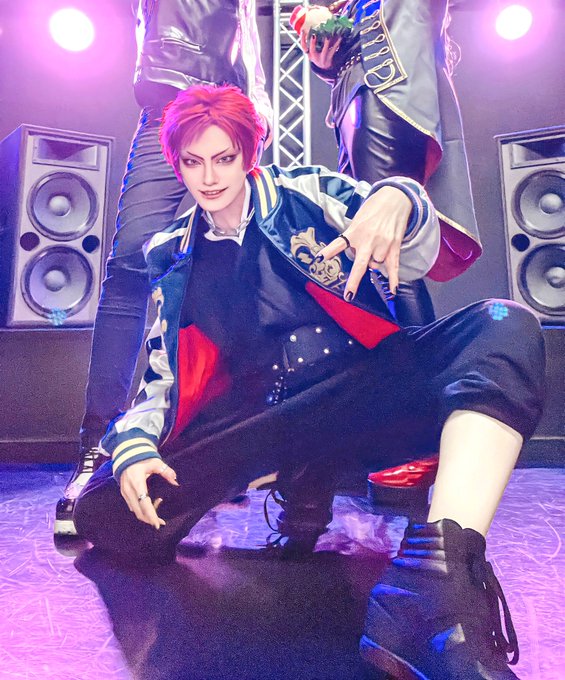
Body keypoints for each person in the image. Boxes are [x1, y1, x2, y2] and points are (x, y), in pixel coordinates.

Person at [75, 85, 545, 678]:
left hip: (359, 394)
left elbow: (417, 252)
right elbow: (163, 376)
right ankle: (294, 476)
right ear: (177, 164)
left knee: (504, 327)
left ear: (249, 153)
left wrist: (400, 197)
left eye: (224, 158)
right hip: (260, 424)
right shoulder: (172, 251)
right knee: (106, 512)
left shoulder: (308, 193)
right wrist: (135, 445)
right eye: (193, 162)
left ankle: (433, 584)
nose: (209, 178)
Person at [55, 0, 273, 536]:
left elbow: (246, 33)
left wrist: (261, 107)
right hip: (170, 104)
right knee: (132, 267)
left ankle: (216, 450)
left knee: (231, 270)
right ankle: (99, 446)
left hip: (233, 112)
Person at [290, 0, 481, 507]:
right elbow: (352, 40)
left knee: (384, 255)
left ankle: (420, 433)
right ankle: (395, 428)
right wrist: (325, 52)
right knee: (367, 256)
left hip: (388, 97)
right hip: (357, 99)